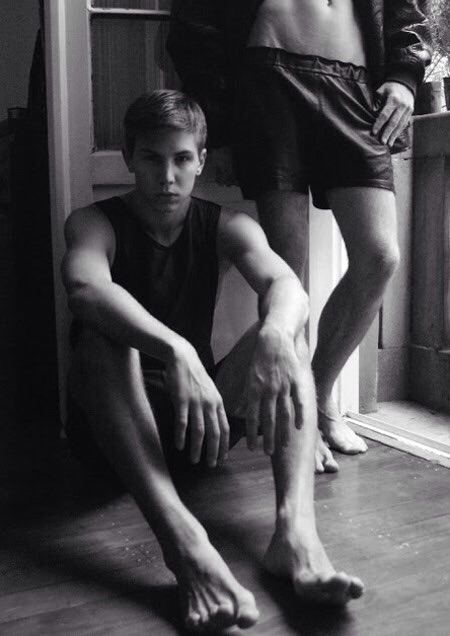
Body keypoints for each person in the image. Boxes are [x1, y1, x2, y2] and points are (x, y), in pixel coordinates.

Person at [62, 90, 364, 633]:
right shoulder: (93, 222)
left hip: (200, 429)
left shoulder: (227, 225)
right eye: (151, 158)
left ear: (201, 160)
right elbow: (85, 288)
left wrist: (275, 332)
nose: (167, 177)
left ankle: (295, 534)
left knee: (287, 334)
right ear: (129, 158)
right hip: (114, 443)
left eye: (182, 159)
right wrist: (176, 349)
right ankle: (186, 546)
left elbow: (286, 285)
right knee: (102, 340)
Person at [166, 0, 433, 472]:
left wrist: (405, 75)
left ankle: (319, 391)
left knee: (380, 256)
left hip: (356, 86)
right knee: (287, 272)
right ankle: (298, 419)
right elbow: (197, 20)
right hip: (268, 75)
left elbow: (405, 7)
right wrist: (218, 127)